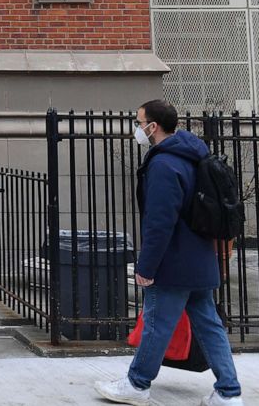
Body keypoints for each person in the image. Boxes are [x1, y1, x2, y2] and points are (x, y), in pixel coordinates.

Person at [95, 99, 242, 406]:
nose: (137, 129)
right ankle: (228, 392)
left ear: (154, 126)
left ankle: (137, 383)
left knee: (156, 325)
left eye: (139, 122)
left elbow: (160, 222)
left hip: (173, 263)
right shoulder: (192, 155)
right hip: (201, 261)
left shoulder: (163, 164)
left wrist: (146, 267)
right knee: (210, 327)